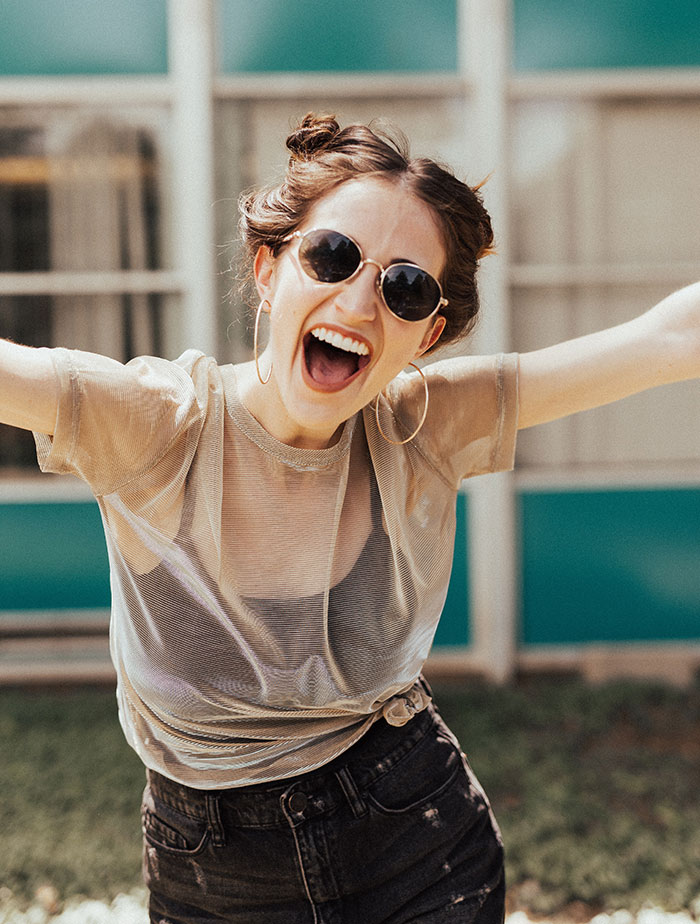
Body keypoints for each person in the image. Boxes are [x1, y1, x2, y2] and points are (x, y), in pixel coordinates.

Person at [1, 111, 699, 924]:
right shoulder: (162, 425)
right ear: (268, 271)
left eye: (406, 288)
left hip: (416, 841)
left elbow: (668, 339)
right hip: (211, 872)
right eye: (332, 255)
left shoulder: (425, 425)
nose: (361, 300)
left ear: (428, 333)